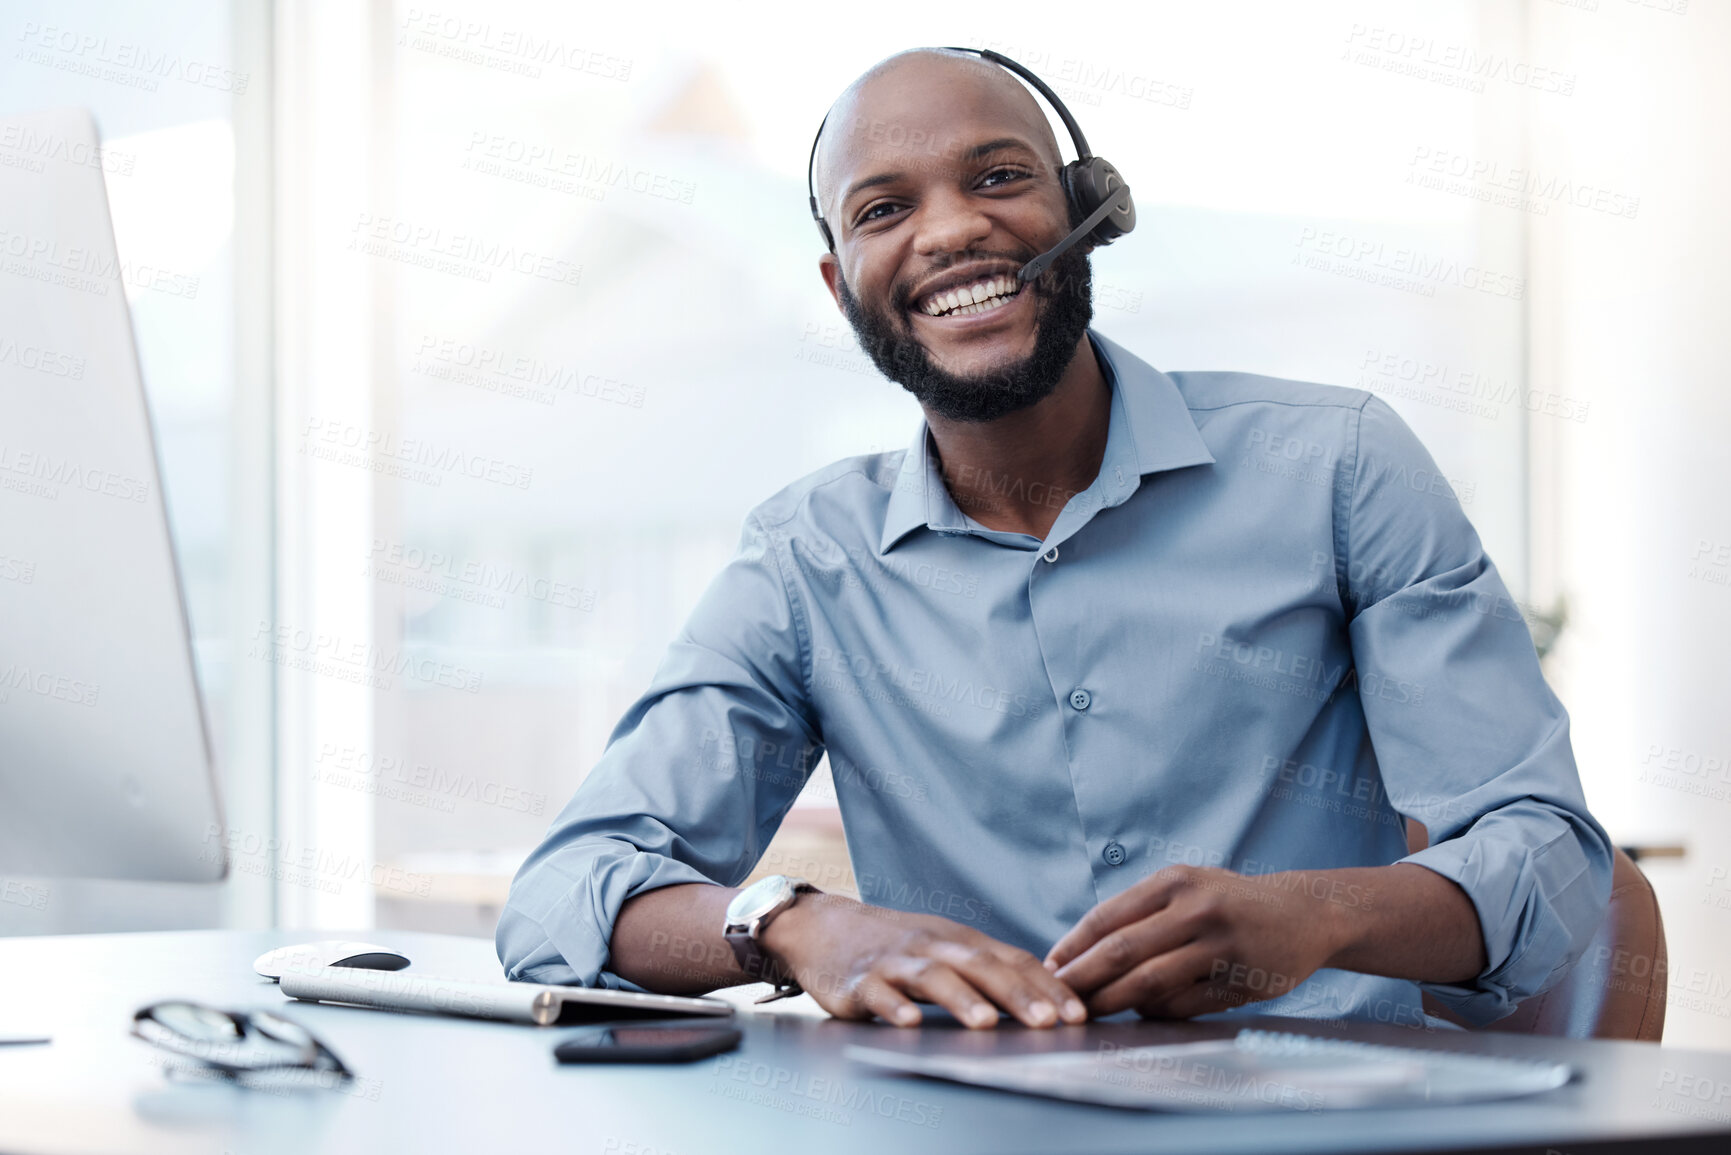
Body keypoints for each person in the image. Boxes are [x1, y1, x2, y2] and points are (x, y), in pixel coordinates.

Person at [496, 47, 1611, 1032]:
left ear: (1089, 206)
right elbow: (565, 895)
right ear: (842, 287)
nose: (949, 230)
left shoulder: (1338, 467)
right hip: (976, 1116)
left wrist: (1315, 914)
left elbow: (1552, 856)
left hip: (1325, 1107)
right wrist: (793, 924)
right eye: (883, 210)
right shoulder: (805, 561)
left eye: (998, 177)